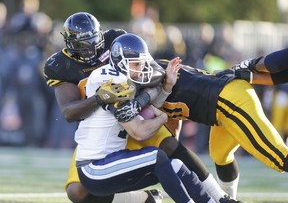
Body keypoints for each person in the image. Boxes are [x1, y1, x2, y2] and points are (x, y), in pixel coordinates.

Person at [44, 13, 240, 203]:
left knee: (170, 149)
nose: (89, 50)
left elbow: (151, 70)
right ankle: (141, 199)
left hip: (133, 112)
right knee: (77, 192)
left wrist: (150, 89)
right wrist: (101, 97)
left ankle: (220, 198)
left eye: (93, 43)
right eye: (82, 45)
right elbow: (69, 112)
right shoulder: (73, 70)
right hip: (105, 130)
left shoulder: (117, 46)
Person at [112, 57, 288, 200]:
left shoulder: (150, 79)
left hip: (230, 102)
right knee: (220, 155)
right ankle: (228, 199)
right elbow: (174, 115)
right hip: (223, 104)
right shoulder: (151, 73)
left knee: (278, 157)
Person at [76, 33, 215, 203]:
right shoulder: (109, 81)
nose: (141, 68)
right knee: (157, 156)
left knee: (176, 165)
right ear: (121, 61)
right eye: (136, 63)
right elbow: (139, 131)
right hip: (94, 168)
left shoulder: (125, 80)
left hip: (112, 162)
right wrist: (163, 119)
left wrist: (166, 88)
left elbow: (144, 113)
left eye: (143, 63)